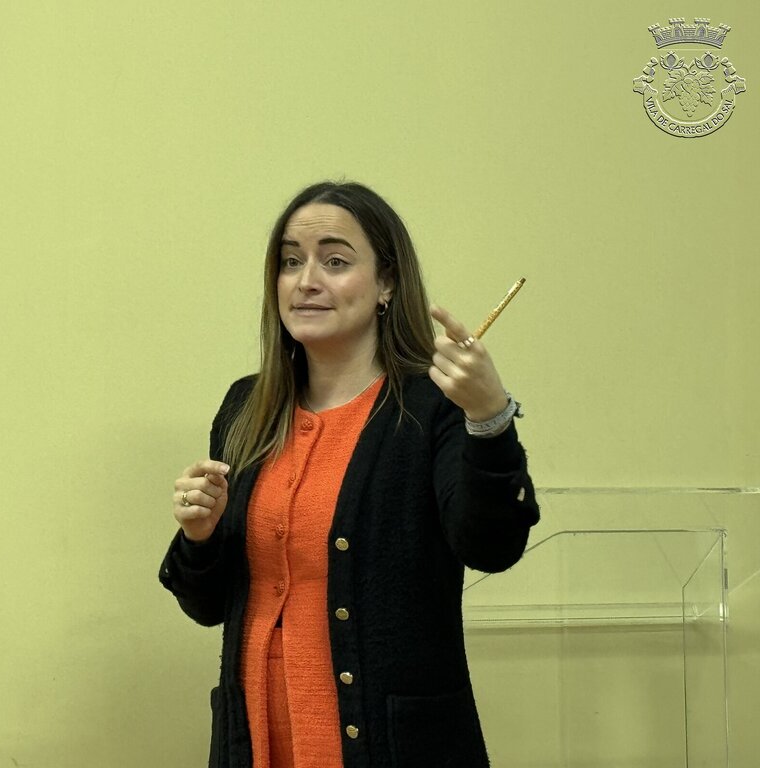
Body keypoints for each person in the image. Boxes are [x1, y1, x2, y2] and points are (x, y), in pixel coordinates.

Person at [159, 181, 539, 768]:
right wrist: (199, 534)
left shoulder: (431, 405)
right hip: (257, 744)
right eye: (291, 262)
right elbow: (208, 605)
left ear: (387, 283)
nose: (306, 280)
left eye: (335, 261)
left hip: (393, 748)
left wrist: (489, 418)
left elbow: (493, 546)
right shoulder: (246, 407)